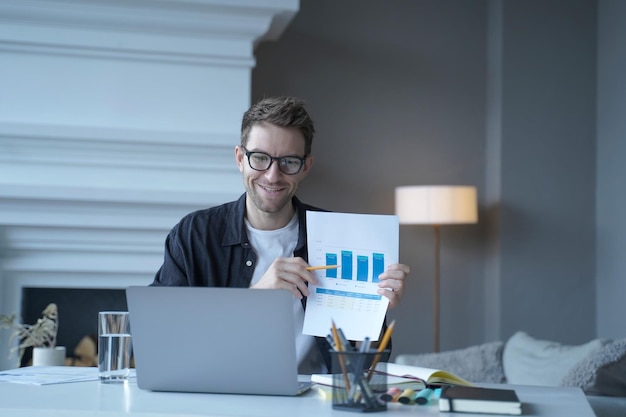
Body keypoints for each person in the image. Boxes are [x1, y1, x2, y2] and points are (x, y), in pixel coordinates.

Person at [151, 96, 410, 373]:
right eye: (260, 158)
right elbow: (159, 340)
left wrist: (372, 310)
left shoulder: (342, 238)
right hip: (219, 394)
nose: (273, 176)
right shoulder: (194, 235)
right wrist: (255, 299)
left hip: (313, 402)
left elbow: (363, 368)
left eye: (288, 162)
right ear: (240, 158)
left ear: (306, 166)